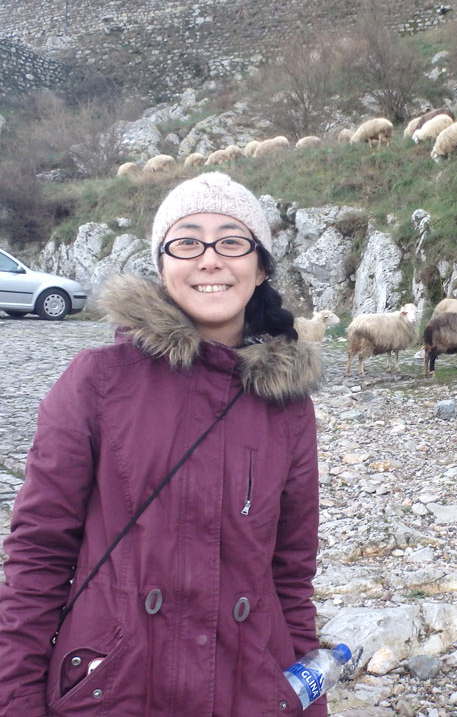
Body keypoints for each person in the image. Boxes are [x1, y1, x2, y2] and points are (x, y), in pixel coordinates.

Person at [0, 172, 326, 716]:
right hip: (114, 688)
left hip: (247, 686)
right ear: (162, 263)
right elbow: (37, 555)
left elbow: (291, 576)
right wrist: (15, 701)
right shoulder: (98, 380)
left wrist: (301, 699)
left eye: (232, 241)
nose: (210, 259)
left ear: (260, 265)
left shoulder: (288, 407)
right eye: (187, 241)